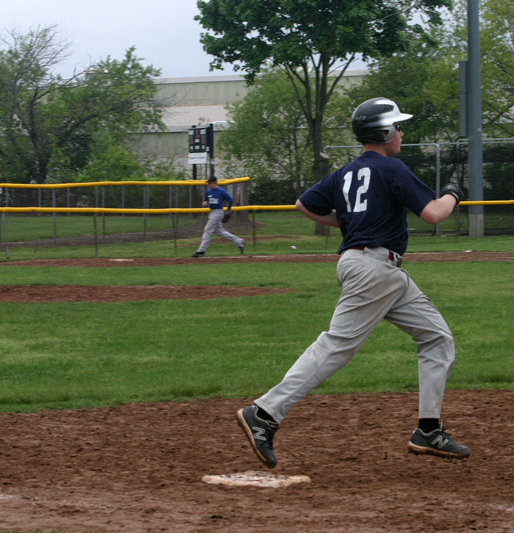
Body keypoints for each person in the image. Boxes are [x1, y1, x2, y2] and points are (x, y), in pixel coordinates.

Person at [236, 97, 470, 468]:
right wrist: (454, 193)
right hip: (373, 268)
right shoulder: (391, 167)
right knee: (337, 345)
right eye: (397, 127)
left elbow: (303, 204)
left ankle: (428, 428)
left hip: (378, 269)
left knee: (437, 338)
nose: (401, 132)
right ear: (384, 132)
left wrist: (349, 221)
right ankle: (264, 413)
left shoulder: (345, 172)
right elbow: (434, 214)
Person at [192, 176, 244, 256]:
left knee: (207, 229)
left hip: (218, 212)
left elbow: (230, 199)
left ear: (214, 183)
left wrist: (228, 210)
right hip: (212, 212)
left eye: (209, 183)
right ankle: (238, 241)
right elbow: (206, 199)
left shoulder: (221, 191)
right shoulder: (209, 191)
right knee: (220, 231)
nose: (208, 185)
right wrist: (205, 202)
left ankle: (201, 250)